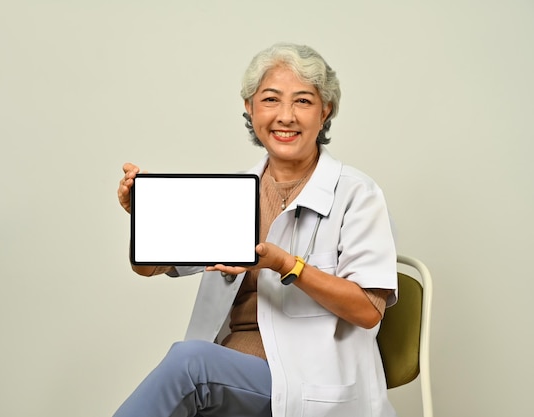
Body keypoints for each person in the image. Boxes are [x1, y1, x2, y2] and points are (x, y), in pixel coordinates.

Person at [115, 42, 398, 417]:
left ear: (325, 111)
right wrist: (145, 217)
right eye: (270, 100)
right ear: (249, 108)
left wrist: (286, 265)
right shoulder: (234, 193)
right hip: (231, 369)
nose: (286, 116)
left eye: (302, 101)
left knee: (189, 364)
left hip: (308, 380)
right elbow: (150, 268)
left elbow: (367, 311)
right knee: (192, 366)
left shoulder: (356, 194)